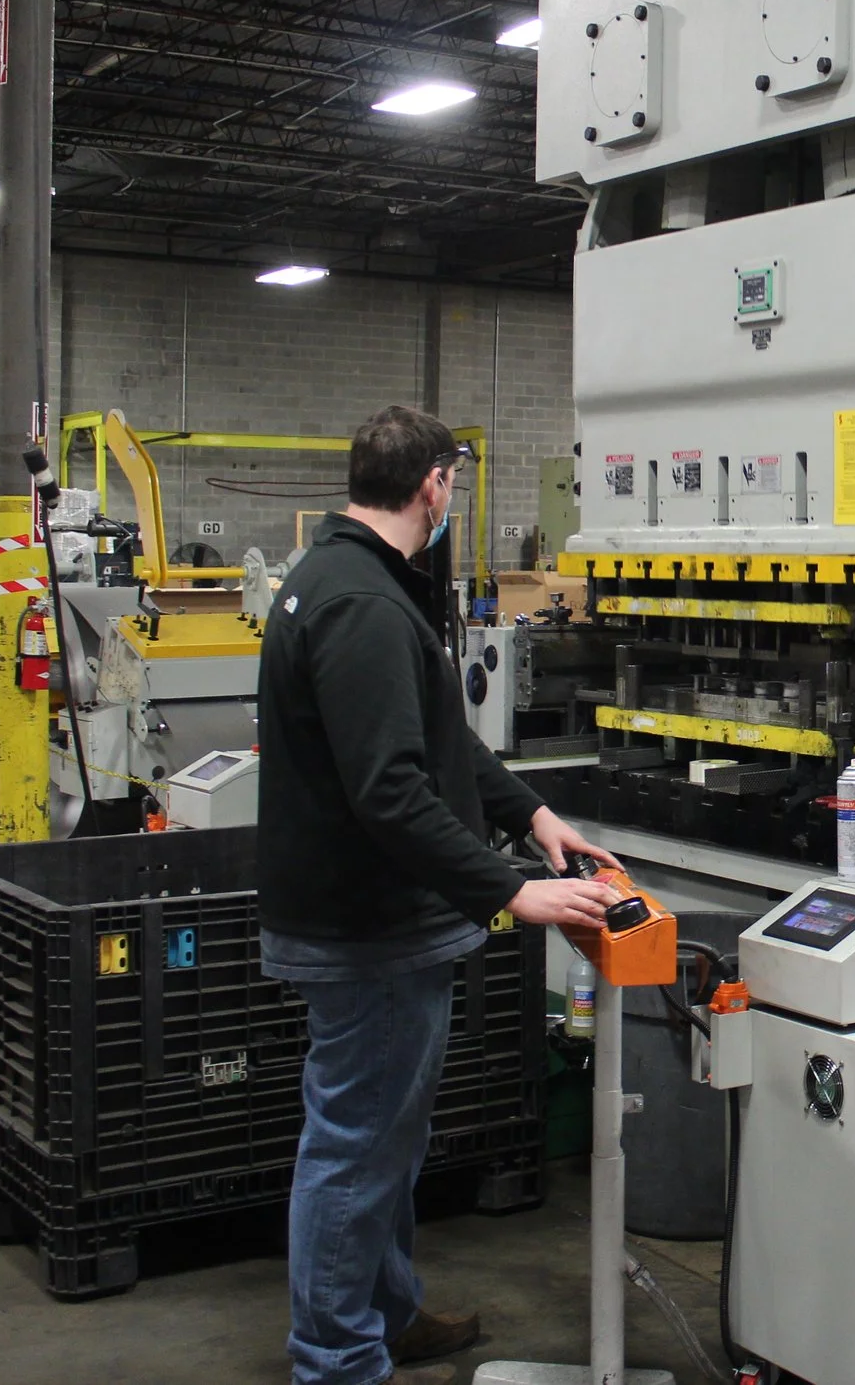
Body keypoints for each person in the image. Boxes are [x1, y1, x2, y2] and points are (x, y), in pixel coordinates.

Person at [257, 404, 621, 1385]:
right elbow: (389, 788)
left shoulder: (344, 581)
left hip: (366, 915)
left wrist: (532, 814)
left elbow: (439, 740)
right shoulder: (363, 605)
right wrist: (512, 890)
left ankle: (384, 1310)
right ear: (435, 487)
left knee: (382, 1136)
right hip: (369, 927)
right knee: (356, 1145)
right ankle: (337, 1359)